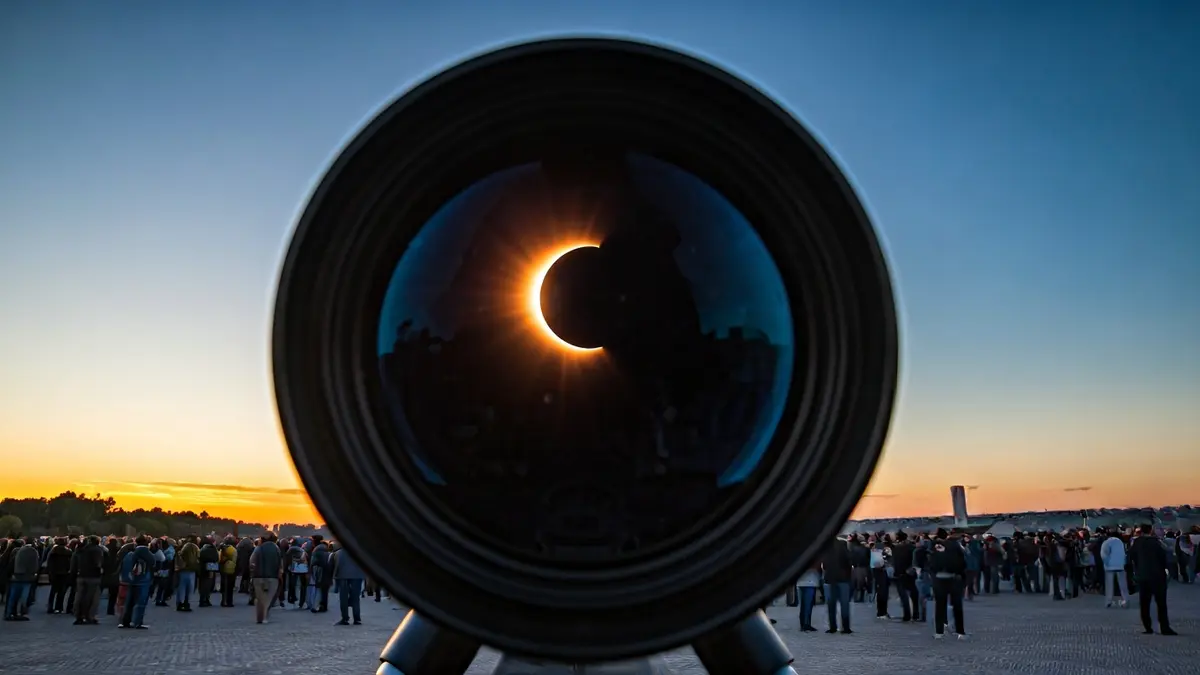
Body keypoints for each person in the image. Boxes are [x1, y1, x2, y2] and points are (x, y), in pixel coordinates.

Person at [1129, 525, 1176, 636]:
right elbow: (1165, 557)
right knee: (1161, 603)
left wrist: (1135, 571)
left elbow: (1131, 558)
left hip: (1143, 576)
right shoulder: (1157, 543)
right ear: (1151, 531)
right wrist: (1168, 571)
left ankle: (1147, 626)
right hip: (1157, 576)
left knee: (1144, 603)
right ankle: (1164, 627)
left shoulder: (1136, 543)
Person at [928, 528, 966, 640]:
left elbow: (930, 561)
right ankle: (960, 631)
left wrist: (933, 573)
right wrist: (961, 574)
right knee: (957, 606)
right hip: (953, 577)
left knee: (939, 606)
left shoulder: (933, 546)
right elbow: (962, 560)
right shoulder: (954, 545)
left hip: (939, 578)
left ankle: (939, 631)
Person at [118, 535, 156, 629]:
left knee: (129, 602)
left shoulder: (130, 553)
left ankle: (126, 621)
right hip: (143, 580)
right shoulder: (146, 552)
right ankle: (138, 622)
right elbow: (153, 562)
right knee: (141, 602)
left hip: (131, 580)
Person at [820, 536, 853, 634]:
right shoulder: (842, 544)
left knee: (831, 604)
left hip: (830, 578)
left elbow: (824, 564)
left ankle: (832, 627)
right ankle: (845, 627)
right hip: (843, 578)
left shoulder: (825, 546)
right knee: (844, 604)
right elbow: (849, 560)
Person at [249, 531, 282, 624]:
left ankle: (259, 617)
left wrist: (253, 571)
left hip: (258, 577)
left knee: (260, 598)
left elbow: (251, 562)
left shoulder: (258, 548)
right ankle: (265, 616)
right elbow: (280, 564)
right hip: (272, 577)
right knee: (269, 598)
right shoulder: (276, 549)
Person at [332, 543, 366, 626]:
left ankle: (345, 618)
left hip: (343, 577)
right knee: (356, 598)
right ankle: (357, 619)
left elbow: (336, 566)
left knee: (343, 598)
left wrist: (334, 577)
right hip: (357, 577)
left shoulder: (338, 553)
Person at [1100, 531, 1129, 608]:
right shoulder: (1121, 543)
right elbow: (1124, 554)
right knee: (1123, 584)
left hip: (1109, 567)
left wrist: (1106, 563)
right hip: (1120, 566)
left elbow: (1103, 554)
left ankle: (1109, 601)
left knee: (1109, 585)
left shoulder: (1106, 542)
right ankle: (1125, 600)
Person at [795, 560, 821, 632]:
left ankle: (803, 623)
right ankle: (806, 624)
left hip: (801, 581)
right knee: (808, 605)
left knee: (803, 605)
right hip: (810, 582)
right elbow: (817, 567)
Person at [219, 537, 239, 607]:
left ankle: (224, 601)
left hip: (224, 569)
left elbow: (221, 559)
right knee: (229, 586)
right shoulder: (233, 550)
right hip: (232, 569)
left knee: (225, 585)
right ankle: (228, 601)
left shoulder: (223, 549)